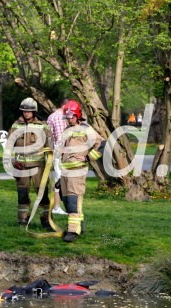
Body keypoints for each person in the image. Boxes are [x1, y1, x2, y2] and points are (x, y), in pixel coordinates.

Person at [58, 100, 102, 242]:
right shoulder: (67, 130)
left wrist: (87, 157)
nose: (68, 119)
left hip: (77, 172)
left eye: (71, 117)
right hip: (65, 172)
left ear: (77, 115)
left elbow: (101, 145)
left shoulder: (86, 129)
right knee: (66, 200)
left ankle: (73, 231)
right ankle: (80, 226)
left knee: (73, 200)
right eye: (67, 117)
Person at [9, 98, 54, 228]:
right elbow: (10, 146)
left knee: (42, 194)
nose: (26, 114)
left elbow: (49, 147)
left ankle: (46, 220)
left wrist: (50, 164)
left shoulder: (42, 126)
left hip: (39, 167)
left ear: (34, 112)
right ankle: (22, 219)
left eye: (29, 111)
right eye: (24, 111)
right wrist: (13, 161)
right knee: (22, 193)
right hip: (21, 167)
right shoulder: (16, 126)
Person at [46, 98, 70, 215]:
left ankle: (54, 206)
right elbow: (62, 139)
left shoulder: (52, 116)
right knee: (58, 180)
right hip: (59, 153)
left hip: (52, 152)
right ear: (65, 106)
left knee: (55, 179)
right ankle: (56, 207)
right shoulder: (60, 118)